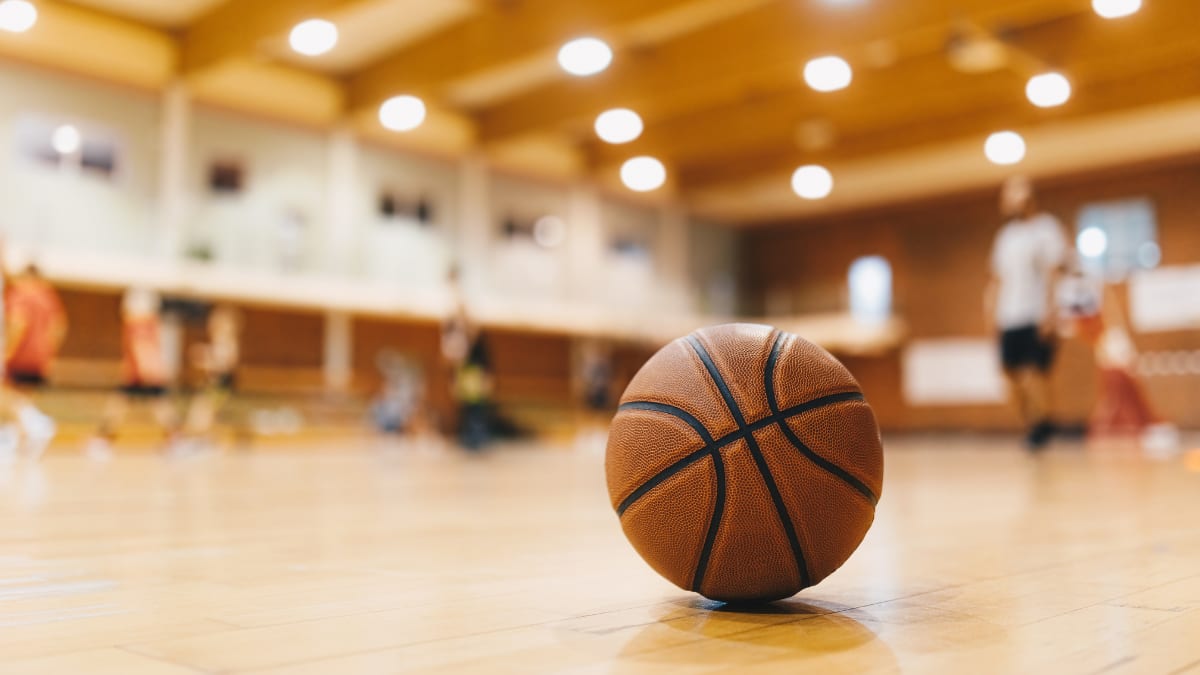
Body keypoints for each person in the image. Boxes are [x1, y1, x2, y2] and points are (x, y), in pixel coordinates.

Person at [983, 176, 1069, 450]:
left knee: (1034, 374)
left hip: (1035, 314)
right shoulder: (1005, 237)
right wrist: (990, 312)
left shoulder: (1047, 229)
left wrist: (1051, 312)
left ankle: (1041, 426)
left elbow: (1054, 273)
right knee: (1011, 375)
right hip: (1009, 315)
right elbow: (997, 279)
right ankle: (1036, 424)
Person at [87, 287, 179, 459]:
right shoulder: (151, 322)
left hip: (142, 374)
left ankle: (103, 440)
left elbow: (141, 346)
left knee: (122, 406)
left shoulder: (138, 323)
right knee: (150, 406)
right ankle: (174, 440)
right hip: (142, 373)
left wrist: (147, 371)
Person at [2, 256, 65, 459]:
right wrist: (49, 352)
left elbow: (17, 323)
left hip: (20, 354)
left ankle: (38, 424)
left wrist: (7, 351)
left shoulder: (20, 294)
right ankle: (19, 438)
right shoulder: (48, 296)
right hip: (41, 356)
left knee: (5, 395)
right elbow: (59, 327)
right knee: (22, 397)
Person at [441, 266, 494, 451]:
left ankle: (478, 440)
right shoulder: (454, 330)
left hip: (475, 375)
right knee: (466, 408)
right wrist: (453, 378)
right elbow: (453, 359)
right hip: (464, 373)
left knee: (477, 409)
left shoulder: (476, 338)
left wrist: (487, 377)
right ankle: (468, 440)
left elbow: (485, 359)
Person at [180, 304, 242, 451]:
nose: (211, 325)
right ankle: (205, 442)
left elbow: (225, 364)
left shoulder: (227, 341)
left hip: (220, 384)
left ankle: (204, 442)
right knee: (203, 413)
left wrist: (205, 359)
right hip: (213, 383)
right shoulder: (220, 341)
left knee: (202, 412)